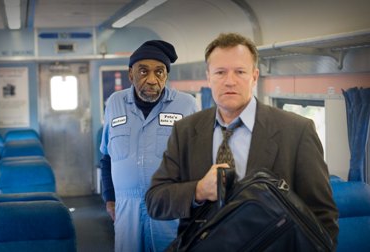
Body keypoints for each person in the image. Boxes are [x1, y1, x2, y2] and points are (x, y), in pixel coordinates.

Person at [145, 33, 339, 246]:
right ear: (208, 77)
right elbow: (156, 201)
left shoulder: (296, 131)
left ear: (254, 77)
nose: (230, 81)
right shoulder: (186, 131)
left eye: (240, 72)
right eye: (220, 72)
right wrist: (199, 190)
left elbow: (322, 219)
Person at [99, 40, 198, 252]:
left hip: (169, 210)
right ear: (130, 75)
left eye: (159, 72)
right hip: (127, 210)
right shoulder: (115, 104)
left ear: (167, 76)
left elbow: (196, 161)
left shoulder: (186, 104)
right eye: (143, 71)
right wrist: (110, 199)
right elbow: (107, 157)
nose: (152, 80)